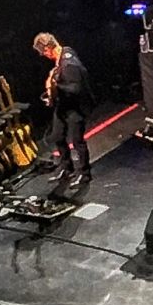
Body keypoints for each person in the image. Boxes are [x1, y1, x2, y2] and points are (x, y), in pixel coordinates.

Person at [33, 32, 93, 189]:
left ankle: (84, 173)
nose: (44, 56)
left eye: (43, 53)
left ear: (48, 48)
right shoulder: (62, 57)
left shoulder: (69, 64)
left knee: (77, 141)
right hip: (63, 105)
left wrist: (53, 85)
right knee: (57, 136)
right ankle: (67, 168)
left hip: (75, 107)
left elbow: (75, 88)